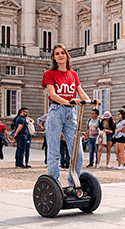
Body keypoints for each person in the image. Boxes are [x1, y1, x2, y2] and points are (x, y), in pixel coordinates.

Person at [40, 43, 95, 184]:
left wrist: (91, 101)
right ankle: (54, 184)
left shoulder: (73, 74)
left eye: (62, 53)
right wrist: (68, 101)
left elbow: (81, 92)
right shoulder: (49, 74)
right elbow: (52, 94)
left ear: (67, 55)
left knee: (78, 154)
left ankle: (73, 183)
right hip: (56, 111)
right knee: (54, 153)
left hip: (71, 113)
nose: (60, 56)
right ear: (53, 57)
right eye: (57, 54)